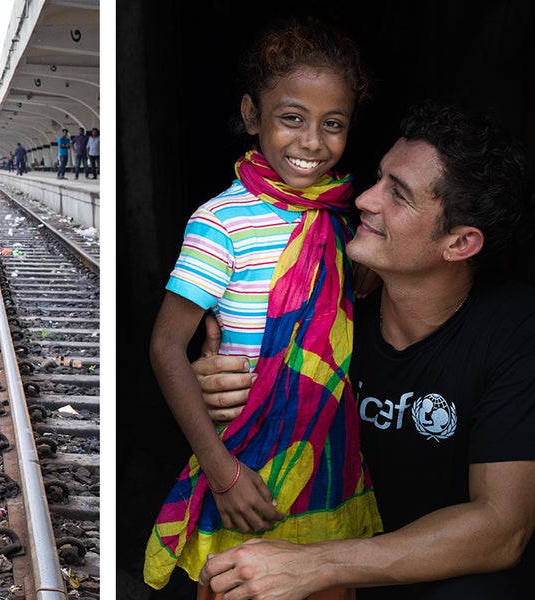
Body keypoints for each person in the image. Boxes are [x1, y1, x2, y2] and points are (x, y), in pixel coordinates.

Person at [193, 101, 535, 600]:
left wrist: (317, 564)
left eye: (399, 194)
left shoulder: (518, 328)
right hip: (330, 548)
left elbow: (502, 527)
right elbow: (240, 390)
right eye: (378, 178)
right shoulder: (321, 293)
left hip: (436, 573)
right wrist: (221, 387)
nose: (365, 199)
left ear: (459, 243)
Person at [143, 19, 381, 595]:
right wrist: (222, 478)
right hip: (246, 464)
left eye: (334, 125)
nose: (311, 143)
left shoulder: (343, 220)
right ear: (253, 116)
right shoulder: (221, 223)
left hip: (328, 461)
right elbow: (166, 346)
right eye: (291, 118)